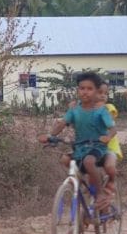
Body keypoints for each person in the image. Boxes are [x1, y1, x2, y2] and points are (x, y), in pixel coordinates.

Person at [39, 72, 118, 212]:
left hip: (97, 148)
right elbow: (63, 123)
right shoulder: (74, 109)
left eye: (90, 89)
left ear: (96, 91)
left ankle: (99, 194)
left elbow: (113, 129)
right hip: (80, 148)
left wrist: (108, 137)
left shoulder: (101, 110)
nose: (85, 92)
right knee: (64, 159)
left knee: (88, 162)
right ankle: (82, 185)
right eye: (82, 88)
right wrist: (50, 135)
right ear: (77, 90)